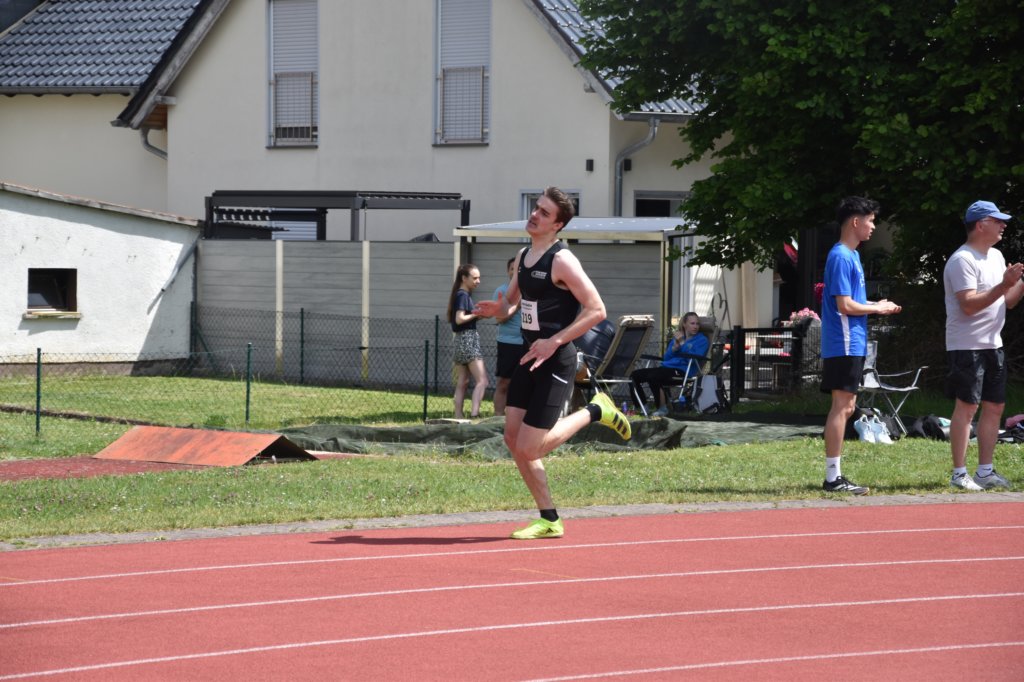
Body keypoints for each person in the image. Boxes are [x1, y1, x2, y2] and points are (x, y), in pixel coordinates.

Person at [473, 186, 631, 539]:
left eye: (544, 213)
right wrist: (497, 309)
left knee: (530, 447)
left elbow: (597, 310)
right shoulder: (524, 255)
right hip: (530, 356)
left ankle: (596, 411)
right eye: (536, 208)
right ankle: (549, 519)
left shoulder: (562, 261)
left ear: (557, 225)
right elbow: (512, 303)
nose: (534, 214)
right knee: (513, 439)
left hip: (556, 360)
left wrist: (555, 340)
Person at [820, 196, 901, 495]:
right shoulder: (841, 256)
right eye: (871, 220)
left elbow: (853, 301)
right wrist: (877, 308)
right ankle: (833, 478)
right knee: (842, 407)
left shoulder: (851, 255)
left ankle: (835, 475)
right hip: (843, 342)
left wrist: (877, 304)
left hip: (851, 342)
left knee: (848, 406)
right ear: (856, 221)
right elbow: (844, 305)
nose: (873, 226)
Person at [943, 200, 1023, 491]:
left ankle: (985, 472)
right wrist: (1004, 285)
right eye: (997, 220)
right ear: (980, 225)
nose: (1003, 225)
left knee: (995, 407)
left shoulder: (997, 256)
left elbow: (1008, 301)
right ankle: (959, 474)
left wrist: (1018, 282)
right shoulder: (962, 260)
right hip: (967, 346)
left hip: (993, 344)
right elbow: (968, 305)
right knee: (967, 407)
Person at [630, 312, 709, 417]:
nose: (695, 326)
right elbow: (666, 358)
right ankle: (642, 407)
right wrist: (675, 348)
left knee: (654, 376)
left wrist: (682, 344)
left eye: (697, 324)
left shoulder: (702, 340)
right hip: (667, 368)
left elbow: (694, 359)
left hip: (683, 371)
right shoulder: (678, 338)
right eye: (692, 323)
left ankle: (662, 408)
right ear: (684, 324)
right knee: (634, 375)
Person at [447, 263, 488, 419]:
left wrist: (478, 315)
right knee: (482, 381)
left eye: (479, 278)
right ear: (464, 278)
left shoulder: (459, 294)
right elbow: (459, 319)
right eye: (475, 278)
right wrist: (476, 314)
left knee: (462, 382)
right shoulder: (463, 295)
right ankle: (475, 414)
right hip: (468, 340)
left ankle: (458, 416)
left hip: (459, 340)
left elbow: (462, 320)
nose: (478, 281)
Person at [492, 257, 526, 417]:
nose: (515, 272)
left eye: (519, 269)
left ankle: (520, 418)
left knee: (524, 384)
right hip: (508, 344)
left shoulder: (533, 290)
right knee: (504, 382)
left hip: (529, 344)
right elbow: (499, 319)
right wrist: (517, 306)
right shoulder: (501, 292)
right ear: (508, 271)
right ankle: (498, 417)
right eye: (512, 268)